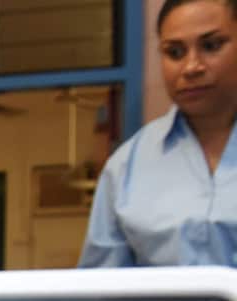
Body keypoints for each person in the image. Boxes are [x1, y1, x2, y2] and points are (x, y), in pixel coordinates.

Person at [80, 0, 237, 267]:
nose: (191, 67)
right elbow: (101, 296)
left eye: (211, 46)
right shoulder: (126, 168)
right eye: (174, 52)